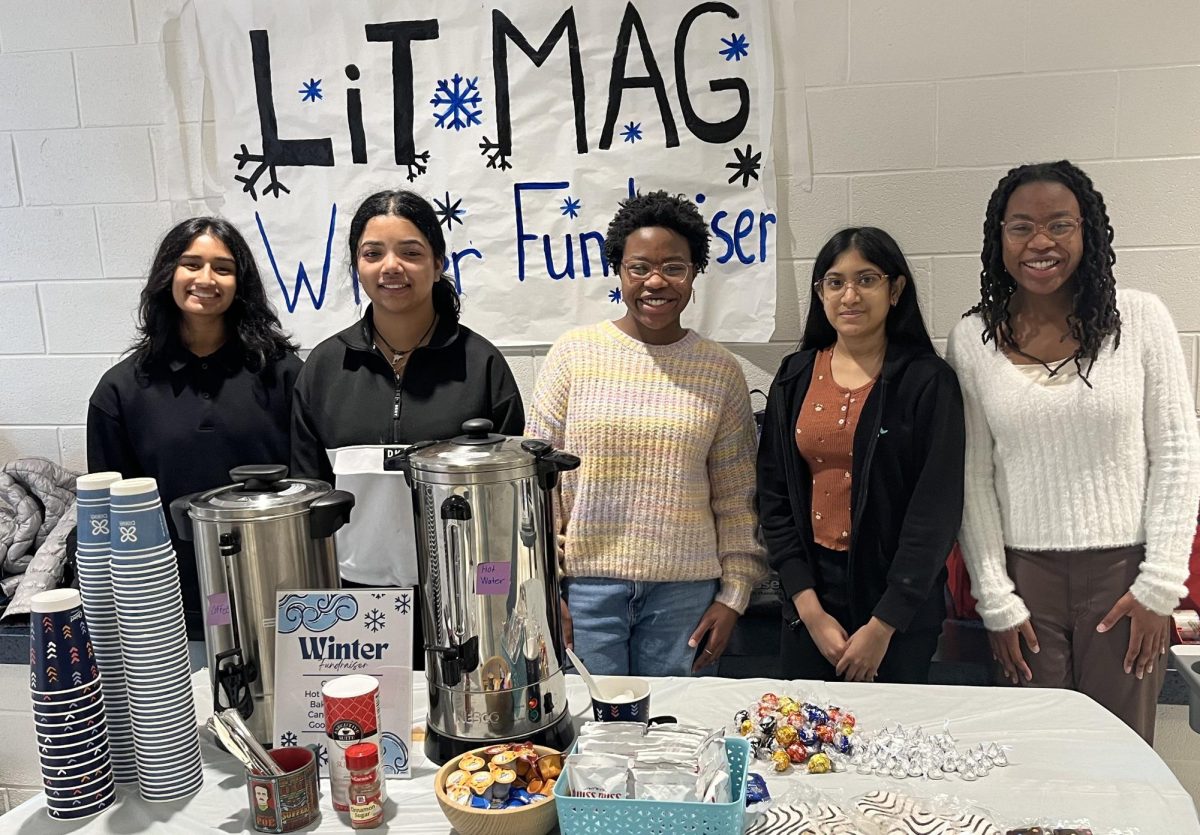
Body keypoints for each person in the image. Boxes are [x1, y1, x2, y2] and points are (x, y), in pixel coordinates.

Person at [947, 160, 1200, 742]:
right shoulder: (974, 338)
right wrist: (995, 598)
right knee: (1037, 758)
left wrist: (1160, 586)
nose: (1041, 242)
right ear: (998, 239)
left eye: (1060, 224)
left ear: (1089, 232)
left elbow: (1177, 457)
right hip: (1023, 583)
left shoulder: (1140, 319)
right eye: (1021, 227)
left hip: (1124, 578)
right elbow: (972, 477)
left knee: (1121, 757)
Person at [526, 190, 766, 677]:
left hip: (687, 597)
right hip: (586, 592)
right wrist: (543, 589)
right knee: (594, 738)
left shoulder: (720, 371)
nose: (656, 281)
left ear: (695, 272)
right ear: (619, 270)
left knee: (676, 737)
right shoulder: (573, 356)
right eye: (639, 267)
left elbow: (738, 499)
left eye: (673, 267)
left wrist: (735, 594)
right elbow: (537, 487)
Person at [291, 188, 524, 668]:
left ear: (438, 264)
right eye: (372, 253)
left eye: (410, 253)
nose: (390, 267)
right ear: (357, 266)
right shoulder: (324, 368)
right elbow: (307, 495)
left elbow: (513, 504)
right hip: (353, 603)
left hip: (466, 598)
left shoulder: (481, 365)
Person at [758, 227, 964, 684]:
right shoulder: (794, 377)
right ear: (820, 293)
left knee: (887, 747)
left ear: (896, 290)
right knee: (805, 747)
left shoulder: (928, 383)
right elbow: (774, 500)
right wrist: (809, 612)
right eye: (835, 282)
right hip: (810, 602)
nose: (850, 295)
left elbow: (936, 513)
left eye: (866, 279)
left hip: (897, 612)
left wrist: (882, 626)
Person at [87, 217, 302, 639]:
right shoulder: (120, 391)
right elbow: (111, 515)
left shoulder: (284, 374)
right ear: (169, 274)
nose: (206, 279)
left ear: (241, 283)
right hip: (167, 598)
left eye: (222, 268)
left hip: (277, 584)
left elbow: (309, 484)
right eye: (191, 264)